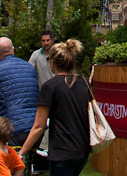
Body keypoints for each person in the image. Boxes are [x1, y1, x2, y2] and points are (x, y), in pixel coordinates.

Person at [19, 39, 93, 176]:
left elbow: (38, 126)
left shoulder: (50, 87)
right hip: (82, 150)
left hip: (62, 152)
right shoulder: (84, 83)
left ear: (52, 63)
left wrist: (22, 152)